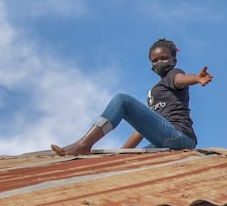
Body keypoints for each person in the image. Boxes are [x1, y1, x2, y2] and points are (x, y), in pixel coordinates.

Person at [51, 38, 213, 156]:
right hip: (168, 141)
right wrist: (120, 155)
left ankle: (83, 144)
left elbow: (180, 80)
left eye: (164, 58)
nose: (159, 63)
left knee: (123, 100)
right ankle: (101, 155)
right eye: (154, 60)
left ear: (174, 60)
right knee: (131, 157)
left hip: (178, 136)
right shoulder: (155, 92)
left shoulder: (173, 74)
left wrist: (196, 79)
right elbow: (141, 130)